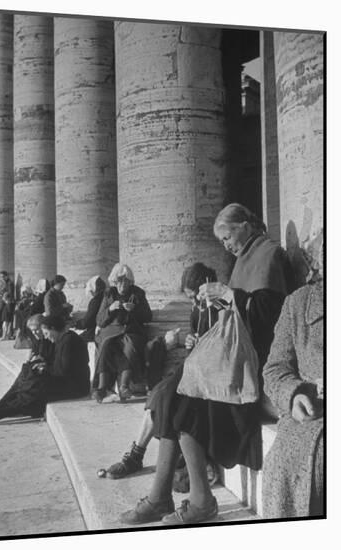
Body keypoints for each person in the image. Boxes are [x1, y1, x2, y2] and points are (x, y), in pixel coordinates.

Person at [120, 203, 291, 526]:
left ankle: (199, 500)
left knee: (183, 402)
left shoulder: (269, 253)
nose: (226, 245)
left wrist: (229, 294)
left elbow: (272, 316)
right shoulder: (243, 258)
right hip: (231, 355)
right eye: (222, 241)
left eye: (227, 237)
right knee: (168, 393)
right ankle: (162, 496)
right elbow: (239, 307)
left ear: (244, 224)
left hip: (251, 363)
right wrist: (222, 300)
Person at [105, 263, 218, 479]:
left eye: (196, 296)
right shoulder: (198, 309)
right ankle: (136, 455)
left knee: (166, 396)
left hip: (212, 373)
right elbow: (196, 339)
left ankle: (139, 458)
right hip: (196, 366)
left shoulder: (221, 307)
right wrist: (191, 341)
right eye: (190, 298)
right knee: (159, 393)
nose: (194, 302)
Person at [262, 232, 323, 519]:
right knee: (285, 468)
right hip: (309, 419)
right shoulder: (298, 304)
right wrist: (295, 394)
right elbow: (275, 369)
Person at [0, 314, 90, 425]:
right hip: (68, 383)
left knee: (34, 390)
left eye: (46, 333)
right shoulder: (64, 339)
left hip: (75, 387)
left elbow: (63, 371)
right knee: (30, 384)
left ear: (53, 329)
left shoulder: (69, 341)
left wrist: (44, 368)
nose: (45, 337)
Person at [92, 263, 152, 402]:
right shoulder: (108, 294)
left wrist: (135, 309)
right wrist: (110, 309)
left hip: (132, 331)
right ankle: (102, 388)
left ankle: (124, 386)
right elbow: (100, 320)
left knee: (130, 347)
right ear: (114, 281)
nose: (123, 284)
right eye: (120, 280)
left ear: (131, 282)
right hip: (111, 332)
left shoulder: (138, 293)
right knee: (106, 346)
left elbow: (148, 316)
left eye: (126, 281)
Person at [74, 275, 106, 342]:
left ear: (95, 289)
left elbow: (88, 321)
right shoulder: (106, 297)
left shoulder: (95, 301)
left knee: (74, 340)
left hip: (95, 332)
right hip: (105, 329)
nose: (91, 293)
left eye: (91, 291)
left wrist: (75, 324)